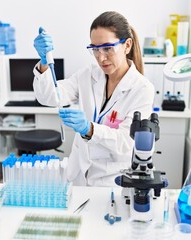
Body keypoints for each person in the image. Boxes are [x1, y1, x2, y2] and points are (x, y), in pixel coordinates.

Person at [33, 11, 154, 186]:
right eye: (95, 49)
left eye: (107, 48)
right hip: (78, 176)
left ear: (127, 45)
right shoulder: (88, 75)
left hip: (111, 180)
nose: (101, 57)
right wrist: (45, 61)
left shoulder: (142, 89)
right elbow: (51, 97)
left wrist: (90, 129)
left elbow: (127, 143)